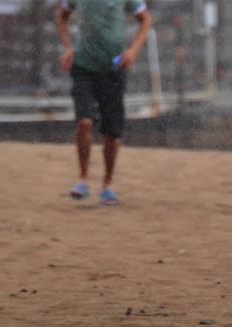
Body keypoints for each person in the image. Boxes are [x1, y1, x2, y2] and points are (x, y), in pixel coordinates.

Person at [55, 0, 152, 205]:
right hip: (83, 67)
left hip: (114, 68)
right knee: (85, 122)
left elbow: (145, 20)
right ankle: (83, 179)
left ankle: (107, 185)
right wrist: (67, 47)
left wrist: (133, 51)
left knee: (111, 133)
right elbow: (61, 16)